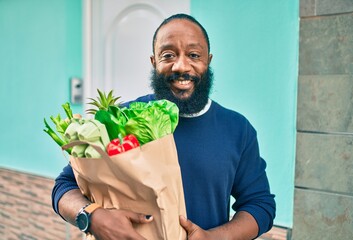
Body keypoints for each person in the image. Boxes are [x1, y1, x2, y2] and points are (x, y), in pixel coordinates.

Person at [52, 13, 276, 240]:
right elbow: (64, 186)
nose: (181, 65)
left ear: (208, 61)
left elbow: (260, 204)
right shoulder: (121, 120)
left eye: (193, 55)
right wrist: (92, 217)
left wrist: (214, 237)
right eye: (168, 55)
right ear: (154, 62)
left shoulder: (237, 129)